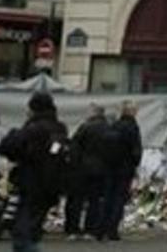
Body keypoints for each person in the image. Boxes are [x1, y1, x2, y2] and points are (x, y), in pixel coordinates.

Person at [0, 91, 68, 252]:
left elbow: (9, 147)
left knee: (22, 232)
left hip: (31, 180)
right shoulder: (59, 128)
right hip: (52, 183)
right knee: (33, 227)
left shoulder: (34, 128)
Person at [65, 104, 110, 239]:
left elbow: (74, 146)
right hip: (101, 169)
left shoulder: (85, 127)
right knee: (94, 201)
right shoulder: (108, 129)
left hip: (82, 168)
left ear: (93, 113)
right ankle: (90, 229)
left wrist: (74, 163)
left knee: (77, 200)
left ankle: (73, 229)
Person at [100, 101, 142, 241]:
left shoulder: (114, 126)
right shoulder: (132, 127)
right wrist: (135, 164)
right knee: (119, 198)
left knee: (108, 197)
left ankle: (101, 229)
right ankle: (112, 230)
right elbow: (136, 150)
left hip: (110, 167)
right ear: (130, 112)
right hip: (125, 168)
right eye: (135, 110)